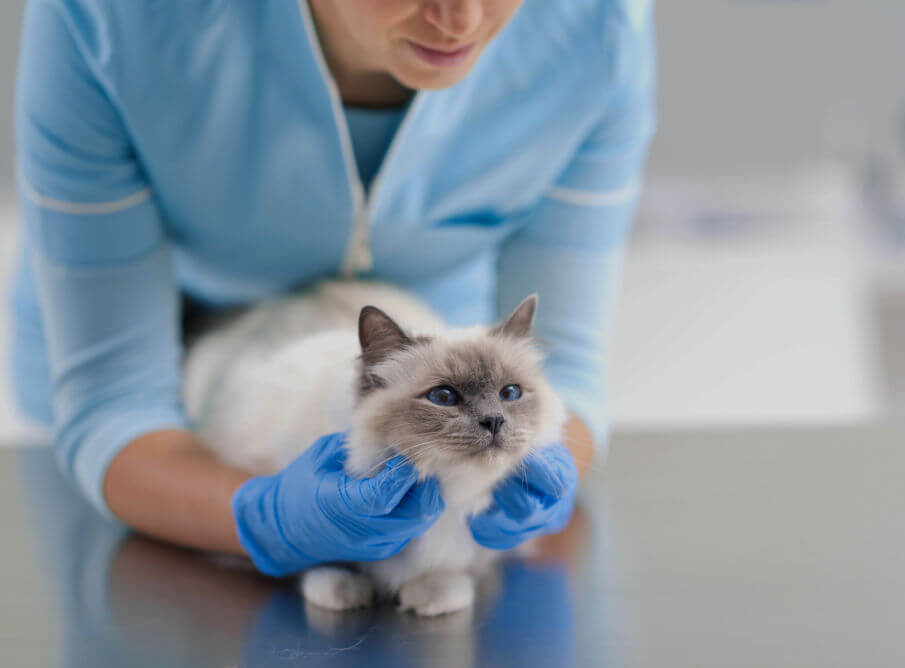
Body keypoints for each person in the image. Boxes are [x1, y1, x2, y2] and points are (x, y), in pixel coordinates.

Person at [11, 0, 656, 577]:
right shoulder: (107, 16)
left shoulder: (597, 25)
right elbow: (115, 400)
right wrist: (264, 518)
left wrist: (543, 471)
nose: (461, 18)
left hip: (421, 365)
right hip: (161, 362)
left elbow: (561, 366)